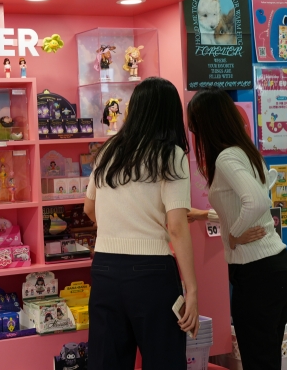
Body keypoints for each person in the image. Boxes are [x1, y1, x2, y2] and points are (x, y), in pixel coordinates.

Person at [84, 77, 199, 370]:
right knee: (164, 361)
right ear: (171, 112)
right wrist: (193, 290)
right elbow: (176, 226)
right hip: (151, 273)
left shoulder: (108, 151)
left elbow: (89, 209)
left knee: (106, 362)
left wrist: (117, 228)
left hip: (105, 269)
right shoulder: (171, 154)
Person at [186, 88, 287, 370]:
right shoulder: (243, 152)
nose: (192, 129)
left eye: (194, 121)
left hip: (258, 272)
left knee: (258, 358)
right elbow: (241, 206)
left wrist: (233, 235)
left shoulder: (225, 158)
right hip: (275, 267)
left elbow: (256, 202)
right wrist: (203, 215)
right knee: (267, 355)